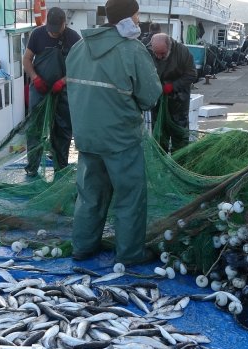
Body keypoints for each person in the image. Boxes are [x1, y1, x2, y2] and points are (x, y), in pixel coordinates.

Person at [66, 0, 161, 264]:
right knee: (129, 197)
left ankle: (83, 247)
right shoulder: (132, 50)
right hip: (121, 139)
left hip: (86, 138)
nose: (139, 22)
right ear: (129, 19)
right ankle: (130, 254)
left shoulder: (78, 47)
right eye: (137, 16)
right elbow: (150, 96)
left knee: (90, 195)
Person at [22, 7, 81, 177]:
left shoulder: (74, 38)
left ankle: (60, 167)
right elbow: (26, 59)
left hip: (62, 91)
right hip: (39, 89)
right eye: (51, 29)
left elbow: (79, 66)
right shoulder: (37, 34)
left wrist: (64, 81)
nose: (53, 33)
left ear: (65, 23)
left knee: (62, 129)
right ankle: (32, 167)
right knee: (35, 127)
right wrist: (35, 77)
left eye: (57, 29)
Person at [148, 33, 197, 152]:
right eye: (156, 53)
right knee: (159, 135)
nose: (158, 57)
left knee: (179, 137)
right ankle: (161, 163)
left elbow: (192, 74)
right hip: (158, 101)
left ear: (170, 47)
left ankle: (180, 162)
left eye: (163, 54)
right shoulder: (147, 50)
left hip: (178, 101)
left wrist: (172, 86)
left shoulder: (182, 51)